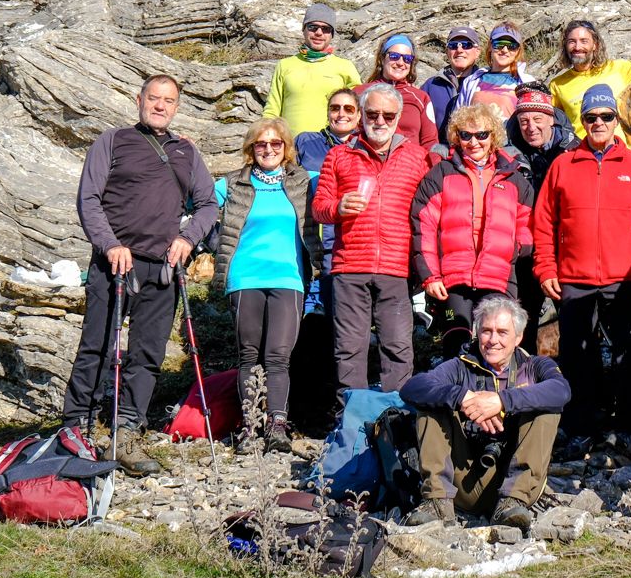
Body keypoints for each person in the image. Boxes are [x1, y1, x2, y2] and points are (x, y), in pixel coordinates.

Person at [63, 75, 217, 477]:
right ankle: (75, 426)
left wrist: (187, 239)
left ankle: (127, 431)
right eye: (154, 98)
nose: (160, 105)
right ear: (139, 99)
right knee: (96, 345)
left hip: (163, 268)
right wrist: (109, 244)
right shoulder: (112, 141)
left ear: (177, 106)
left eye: (168, 100)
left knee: (147, 354)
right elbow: (89, 199)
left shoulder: (187, 151)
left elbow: (206, 206)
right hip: (114, 262)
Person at [530, 84, 631, 446]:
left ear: (617, 120)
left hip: (626, 276)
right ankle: (583, 426)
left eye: (606, 116)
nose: (598, 122)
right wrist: (546, 268)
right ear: (582, 121)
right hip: (574, 277)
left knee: (630, 355)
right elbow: (543, 221)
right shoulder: (563, 164)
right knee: (577, 355)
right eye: (591, 117)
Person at [398, 296, 568, 532]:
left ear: (518, 337)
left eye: (502, 332)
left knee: (546, 408)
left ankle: (512, 503)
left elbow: (561, 391)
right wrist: (463, 398)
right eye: (486, 331)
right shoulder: (459, 366)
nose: (493, 340)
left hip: (515, 485)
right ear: (477, 333)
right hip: (461, 482)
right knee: (432, 402)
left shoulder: (536, 366)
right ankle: (436, 503)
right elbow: (412, 388)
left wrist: (502, 401)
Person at [312, 82, 431, 399]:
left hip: (396, 265)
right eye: (373, 113)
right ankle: (351, 420)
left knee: (398, 346)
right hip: (350, 265)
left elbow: (428, 213)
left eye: (388, 115)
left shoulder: (418, 158)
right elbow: (318, 208)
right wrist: (337, 208)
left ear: (399, 117)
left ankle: (399, 420)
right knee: (350, 347)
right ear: (361, 115)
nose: (380, 121)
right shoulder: (339, 155)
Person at [212, 117, 320, 453]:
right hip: (245, 277)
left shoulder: (304, 181)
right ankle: (249, 426)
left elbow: (338, 187)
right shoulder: (231, 184)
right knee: (248, 354)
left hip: (289, 278)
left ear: (286, 149)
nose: (268, 149)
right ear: (251, 148)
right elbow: (196, 202)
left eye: (276, 144)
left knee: (278, 356)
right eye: (261, 144)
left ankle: (277, 425)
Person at [411, 104, 534, 354]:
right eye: (466, 135)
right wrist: (431, 276)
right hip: (453, 277)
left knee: (496, 344)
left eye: (482, 135)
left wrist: (514, 249)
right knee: (456, 343)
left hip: (498, 276)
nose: (474, 142)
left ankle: (494, 394)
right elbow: (423, 227)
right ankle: (457, 393)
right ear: (457, 136)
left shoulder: (513, 177)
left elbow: (528, 224)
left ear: (494, 136)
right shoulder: (440, 174)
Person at [507, 85, 574, 339]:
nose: (531, 127)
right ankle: (524, 374)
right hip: (525, 246)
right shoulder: (508, 155)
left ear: (552, 120)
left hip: (565, 245)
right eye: (524, 121)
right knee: (524, 317)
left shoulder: (573, 151)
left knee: (573, 320)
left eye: (538, 119)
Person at [263, 3, 360, 138]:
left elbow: (357, 109)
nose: (319, 33)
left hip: (331, 146)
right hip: (290, 148)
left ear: (331, 34)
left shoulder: (345, 66)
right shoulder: (285, 65)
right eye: (313, 27)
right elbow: (272, 109)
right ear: (304, 30)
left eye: (326, 29)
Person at [361, 32, 439, 150]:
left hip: (411, 164)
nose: (400, 63)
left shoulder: (421, 98)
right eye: (394, 56)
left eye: (407, 59)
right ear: (382, 58)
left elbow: (430, 141)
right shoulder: (360, 93)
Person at [464, 23, 534, 121]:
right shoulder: (471, 81)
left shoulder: (527, 83)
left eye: (512, 46)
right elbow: (459, 118)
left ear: (518, 51)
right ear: (490, 46)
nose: (505, 50)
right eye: (499, 44)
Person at [423, 26, 484, 135]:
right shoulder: (430, 85)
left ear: (477, 52)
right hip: (439, 150)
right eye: (453, 46)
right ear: (447, 52)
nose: (459, 50)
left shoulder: (486, 83)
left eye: (466, 45)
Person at [295, 88, 359, 175]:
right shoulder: (304, 141)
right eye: (335, 108)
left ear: (358, 115)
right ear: (327, 113)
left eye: (349, 109)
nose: (341, 114)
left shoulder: (366, 147)